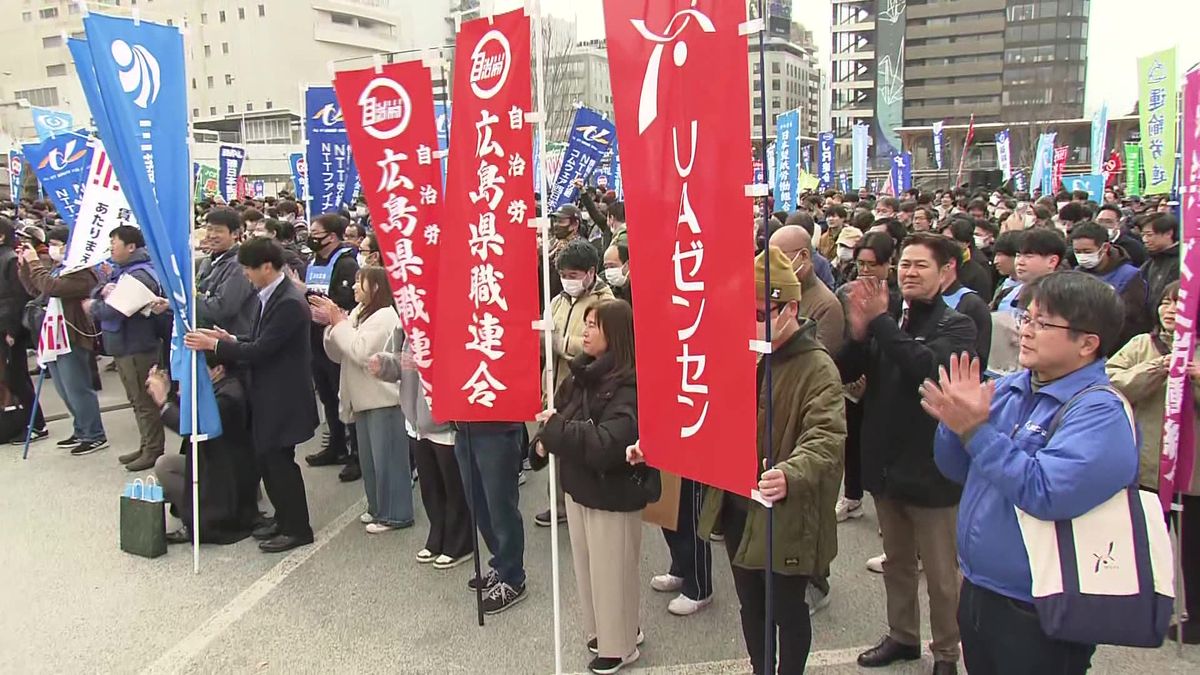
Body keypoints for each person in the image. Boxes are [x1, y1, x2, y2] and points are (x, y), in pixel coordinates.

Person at [926, 272, 1136, 673]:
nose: (1026, 331)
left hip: (1040, 605)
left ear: (1088, 343)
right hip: (980, 587)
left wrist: (975, 430)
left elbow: (1048, 492)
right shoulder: (1012, 386)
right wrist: (953, 425)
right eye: (1026, 317)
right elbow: (954, 470)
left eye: (1043, 323)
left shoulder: (1098, 411)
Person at [692, 247, 845, 674]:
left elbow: (827, 437)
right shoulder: (740, 353)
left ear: (790, 308)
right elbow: (707, 412)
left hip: (787, 509)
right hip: (739, 503)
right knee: (751, 605)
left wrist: (789, 473)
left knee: (785, 608)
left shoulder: (817, 368)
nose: (752, 318)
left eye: (762, 310)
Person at [839, 232, 977, 675]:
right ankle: (902, 635)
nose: (910, 273)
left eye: (921, 266)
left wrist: (878, 324)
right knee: (897, 562)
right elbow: (846, 370)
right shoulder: (890, 315)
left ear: (945, 272)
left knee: (940, 575)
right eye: (906, 265)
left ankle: (947, 653)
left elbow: (927, 368)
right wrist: (860, 336)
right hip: (885, 461)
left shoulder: (959, 322)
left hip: (933, 466)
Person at [532, 299, 647, 674]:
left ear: (614, 334)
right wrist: (543, 438)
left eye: (593, 325)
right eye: (585, 323)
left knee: (613, 570)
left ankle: (621, 647)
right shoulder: (580, 374)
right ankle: (611, 630)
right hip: (580, 487)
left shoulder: (630, 383)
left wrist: (556, 431)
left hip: (613, 492)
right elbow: (557, 419)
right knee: (589, 569)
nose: (585, 330)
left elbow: (607, 444)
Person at [184, 237, 318, 554]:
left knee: (280, 462)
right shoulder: (269, 294)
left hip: (282, 397)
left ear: (267, 267)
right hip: (267, 394)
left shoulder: (287, 302)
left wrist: (216, 346)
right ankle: (284, 518)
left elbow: (261, 350)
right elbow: (258, 338)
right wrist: (230, 337)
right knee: (268, 460)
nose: (245, 274)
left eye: (248, 268)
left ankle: (298, 528)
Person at [1107, 282, 1200, 645]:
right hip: (1147, 465)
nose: (1171, 309)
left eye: (1180, 303)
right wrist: (1155, 370)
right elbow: (1112, 382)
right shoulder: (1141, 345)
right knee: (1143, 543)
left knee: (1191, 549)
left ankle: (1194, 617)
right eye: (1166, 302)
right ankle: (1139, 609)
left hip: (1191, 471)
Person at [314, 267, 412, 533]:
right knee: (371, 461)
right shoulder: (359, 313)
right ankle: (378, 508)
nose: (355, 287)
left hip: (383, 399)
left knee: (388, 460)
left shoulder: (385, 316)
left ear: (376, 288)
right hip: (362, 398)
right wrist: (335, 324)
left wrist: (339, 323)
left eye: (361, 282)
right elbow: (338, 352)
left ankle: (397, 513)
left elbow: (360, 352)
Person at [370, 329, 473, 569]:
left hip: (444, 418)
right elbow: (401, 363)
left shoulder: (447, 317)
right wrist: (384, 364)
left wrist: (427, 363)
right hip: (416, 418)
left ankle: (460, 542)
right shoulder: (410, 320)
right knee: (430, 485)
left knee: (453, 485)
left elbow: (462, 359)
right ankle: (437, 534)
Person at [537, 239, 615, 528]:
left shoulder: (605, 303)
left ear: (590, 272)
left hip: (587, 386)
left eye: (573, 275)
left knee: (579, 443)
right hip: (557, 382)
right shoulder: (558, 301)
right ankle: (558, 503)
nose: (567, 281)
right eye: (563, 275)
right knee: (556, 442)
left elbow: (594, 346)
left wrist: (557, 341)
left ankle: (578, 501)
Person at [15, 226, 107, 453]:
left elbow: (51, 287)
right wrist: (24, 267)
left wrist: (35, 262)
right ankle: (81, 428)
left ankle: (94, 433)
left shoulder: (83, 272)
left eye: (59, 244)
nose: (54, 248)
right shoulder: (60, 268)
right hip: (53, 335)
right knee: (63, 388)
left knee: (77, 387)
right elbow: (37, 290)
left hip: (72, 334)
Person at [147, 356, 258, 544]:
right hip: (216, 465)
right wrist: (169, 391)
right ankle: (195, 512)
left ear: (218, 370)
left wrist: (164, 402)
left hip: (226, 477)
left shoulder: (229, 396)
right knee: (165, 466)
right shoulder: (218, 387)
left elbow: (196, 428)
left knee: (166, 469)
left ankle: (199, 520)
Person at [85, 226, 167, 469]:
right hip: (124, 345)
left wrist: (93, 306)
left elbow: (114, 309)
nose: (111, 247)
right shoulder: (123, 271)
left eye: (114, 242)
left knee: (144, 402)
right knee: (135, 400)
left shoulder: (140, 274)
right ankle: (145, 445)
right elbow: (100, 288)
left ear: (131, 246)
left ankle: (153, 450)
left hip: (137, 346)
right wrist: (100, 292)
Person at [302, 214, 362, 481]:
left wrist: (329, 310)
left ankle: (357, 454)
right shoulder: (313, 262)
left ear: (332, 237)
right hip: (315, 339)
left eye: (316, 233)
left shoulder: (346, 263)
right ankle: (335, 445)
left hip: (338, 339)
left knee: (347, 398)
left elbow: (348, 300)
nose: (311, 237)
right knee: (327, 396)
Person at [1070, 221, 1149, 351]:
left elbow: (1131, 317)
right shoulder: (1074, 275)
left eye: (1087, 251)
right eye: (1077, 251)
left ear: (1105, 247)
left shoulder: (1129, 275)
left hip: (1117, 346)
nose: (1082, 256)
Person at [0, 220, 45, 442]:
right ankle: (29, 422)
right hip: (4, 325)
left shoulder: (9, 260)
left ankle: (36, 423)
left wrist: (12, 329)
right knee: (12, 377)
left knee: (17, 377)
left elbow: (16, 298)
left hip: (10, 329)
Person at [771, 225, 845, 357]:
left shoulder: (826, 306)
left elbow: (819, 361)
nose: (773, 265)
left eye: (779, 257)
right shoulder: (776, 294)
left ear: (803, 256)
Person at [197, 207, 258, 337]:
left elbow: (222, 308)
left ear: (235, 234)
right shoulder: (207, 261)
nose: (212, 235)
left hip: (229, 343)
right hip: (205, 339)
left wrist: (190, 299)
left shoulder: (240, 264)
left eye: (218, 231)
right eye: (209, 229)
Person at [1140, 213, 1180, 324]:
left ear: (1168, 233)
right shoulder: (1150, 262)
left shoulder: (1182, 262)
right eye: (1143, 235)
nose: (1145, 239)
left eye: (1149, 235)